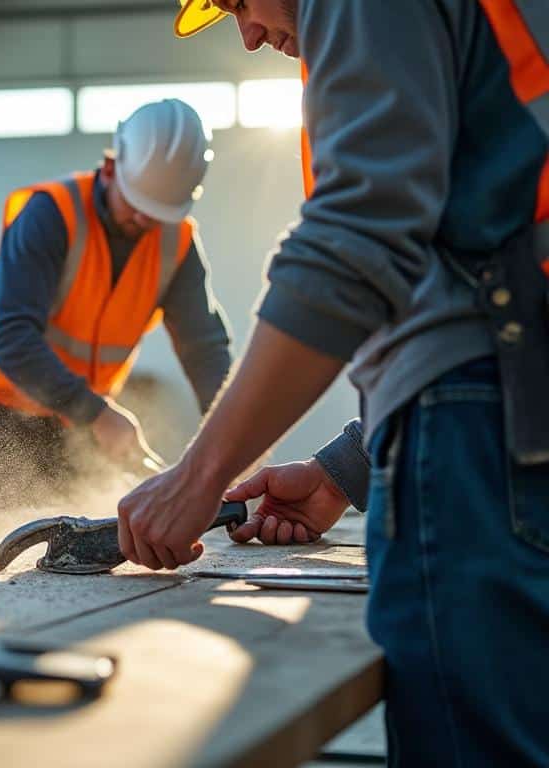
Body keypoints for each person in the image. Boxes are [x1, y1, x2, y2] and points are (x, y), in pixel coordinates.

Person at [118, 0, 549, 762]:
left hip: (482, 428)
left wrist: (200, 474)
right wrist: (348, 468)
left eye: (238, 2)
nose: (246, 34)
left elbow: (356, 237)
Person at [0, 100, 232, 504]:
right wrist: (98, 414)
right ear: (112, 167)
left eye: (159, 213)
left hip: (74, 420)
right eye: (137, 207)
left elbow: (204, 349)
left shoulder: (177, 243)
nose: (145, 222)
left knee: (69, 548)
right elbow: (12, 340)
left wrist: (232, 437)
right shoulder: (50, 215)